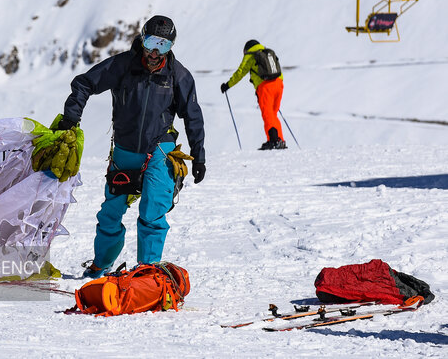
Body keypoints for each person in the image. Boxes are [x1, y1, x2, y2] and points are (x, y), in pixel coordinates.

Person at [57, 15, 206, 278]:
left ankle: (146, 271)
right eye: (151, 42)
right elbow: (84, 83)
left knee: (152, 211)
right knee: (110, 213)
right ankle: (100, 265)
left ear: (171, 46)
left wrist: (199, 155)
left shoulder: (178, 76)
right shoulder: (123, 65)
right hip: (125, 152)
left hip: (160, 150)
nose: (155, 51)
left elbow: (192, 115)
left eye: (163, 45)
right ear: (141, 38)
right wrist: (71, 117)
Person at [221, 39, 287, 150]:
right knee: (273, 114)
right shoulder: (267, 52)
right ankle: (280, 140)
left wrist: (227, 85)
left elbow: (240, 73)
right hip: (279, 84)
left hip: (265, 86)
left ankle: (274, 141)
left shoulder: (251, 55)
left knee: (267, 114)